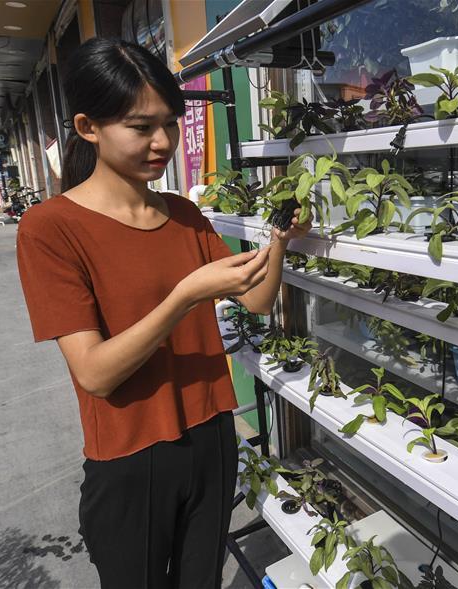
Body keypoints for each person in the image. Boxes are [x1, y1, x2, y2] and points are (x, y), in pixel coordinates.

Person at [15, 38, 310, 589]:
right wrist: (184, 297)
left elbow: (257, 300)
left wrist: (278, 242)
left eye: (170, 124)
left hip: (212, 435)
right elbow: (95, 373)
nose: (162, 142)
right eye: (141, 126)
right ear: (88, 128)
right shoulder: (50, 228)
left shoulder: (184, 213)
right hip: (130, 452)